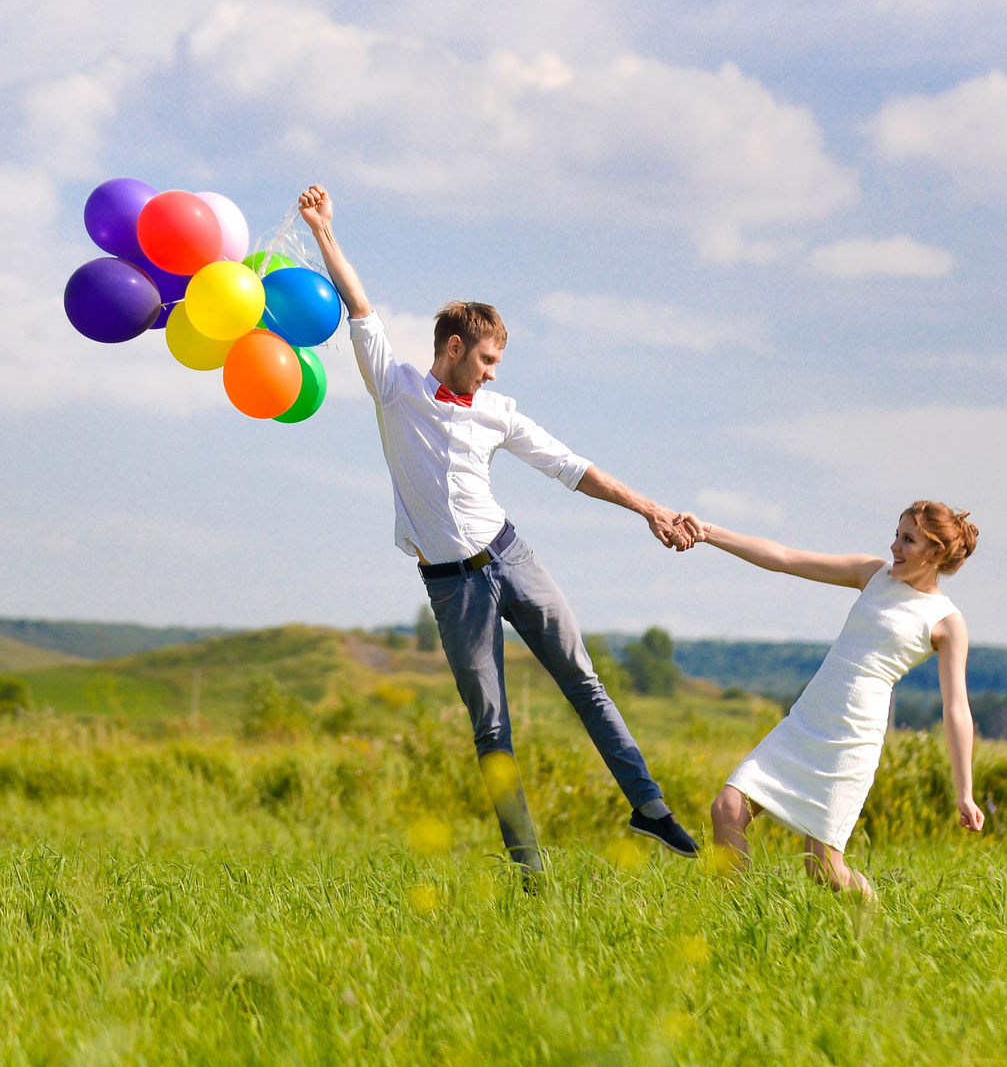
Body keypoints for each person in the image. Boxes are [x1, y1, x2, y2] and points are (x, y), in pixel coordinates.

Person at [298, 184, 705, 871]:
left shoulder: (501, 412)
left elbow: (573, 468)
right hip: (452, 587)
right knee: (492, 726)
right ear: (454, 346)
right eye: (485, 360)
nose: (490, 375)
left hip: (513, 558)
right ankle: (528, 864)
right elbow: (359, 307)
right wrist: (324, 232)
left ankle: (651, 807)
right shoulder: (395, 389)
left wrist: (651, 510)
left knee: (585, 681)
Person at [700, 502, 986, 897]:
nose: (894, 546)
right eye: (896, 534)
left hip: (853, 738)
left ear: (935, 552)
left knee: (823, 870)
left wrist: (964, 793)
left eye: (907, 539)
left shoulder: (946, 621)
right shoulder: (872, 575)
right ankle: (730, 919)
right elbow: (784, 558)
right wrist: (707, 532)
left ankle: (868, 917)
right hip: (808, 720)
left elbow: (956, 709)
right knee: (727, 810)